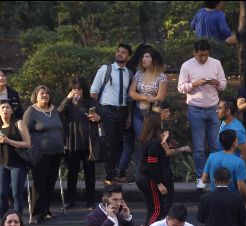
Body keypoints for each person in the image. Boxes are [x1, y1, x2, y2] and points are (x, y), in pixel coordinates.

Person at [178, 39, 227, 188]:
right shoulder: (187, 65)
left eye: (206, 55)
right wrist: (194, 84)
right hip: (195, 108)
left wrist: (217, 83)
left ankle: (216, 177)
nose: (204, 58)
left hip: (213, 108)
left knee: (215, 144)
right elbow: (180, 87)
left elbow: (223, 84)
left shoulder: (216, 63)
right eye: (201, 55)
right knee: (199, 146)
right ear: (194, 53)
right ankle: (200, 177)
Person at [91, 44, 134, 185]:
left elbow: (129, 97)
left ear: (129, 57)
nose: (119, 54)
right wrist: (94, 111)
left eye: (123, 52)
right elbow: (94, 90)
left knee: (119, 144)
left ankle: (114, 174)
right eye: (118, 51)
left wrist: (129, 115)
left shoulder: (129, 73)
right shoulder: (106, 69)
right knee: (109, 143)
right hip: (107, 110)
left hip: (122, 111)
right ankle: (109, 177)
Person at [59, 77, 102, 209]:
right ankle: (70, 200)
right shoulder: (68, 102)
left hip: (88, 142)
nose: (77, 91)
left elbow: (102, 116)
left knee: (90, 173)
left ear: (84, 89)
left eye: (79, 89)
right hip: (72, 141)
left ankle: (90, 201)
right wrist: (67, 99)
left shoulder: (91, 101)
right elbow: (59, 113)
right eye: (74, 89)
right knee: (72, 172)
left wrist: (98, 118)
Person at [24, 85, 64, 223]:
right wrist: (31, 147)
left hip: (56, 152)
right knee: (39, 183)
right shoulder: (31, 111)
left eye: (47, 93)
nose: (45, 95)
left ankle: (46, 210)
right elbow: (24, 131)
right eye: (42, 93)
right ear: (36, 95)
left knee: (50, 182)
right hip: (39, 153)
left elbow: (60, 127)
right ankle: (36, 213)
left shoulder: (54, 110)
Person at [136, 112, 175, 226]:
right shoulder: (153, 143)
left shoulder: (146, 140)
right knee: (158, 209)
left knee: (152, 207)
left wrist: (165, 143)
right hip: (149, 179)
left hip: (143, 177)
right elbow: (152, 165)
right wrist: (159, 183)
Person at [129, 48, 168, 163]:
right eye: (143, 57)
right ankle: (140, 167)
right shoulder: (138, 74)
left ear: (154, 60)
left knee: (152, 140)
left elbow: (160, 97)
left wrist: (141, 96)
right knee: (140, 139)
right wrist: (146, 98)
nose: (143, 59)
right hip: (138, 112)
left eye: (147, 57)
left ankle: (151, 166)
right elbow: (131, 93)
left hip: (153, 114)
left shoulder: (161, 76)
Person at [0, 99, 31, 217]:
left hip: (17, 164)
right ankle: (4, 221)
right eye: (2, 107)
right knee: (1, 195)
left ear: (12, 110)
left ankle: (18, 222)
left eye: (7, 107)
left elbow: (27, 144)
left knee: (16, 194)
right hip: (1, 163)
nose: (5, 110)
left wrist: (8, 141)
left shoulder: (18, 123)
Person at [202, 129, 246, 205]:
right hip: (232, 201)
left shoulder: (211, 157)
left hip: (214, 200)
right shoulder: (239, 162)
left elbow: (203, 179)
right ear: (234, 143)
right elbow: (241, 187)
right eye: (237, 140)